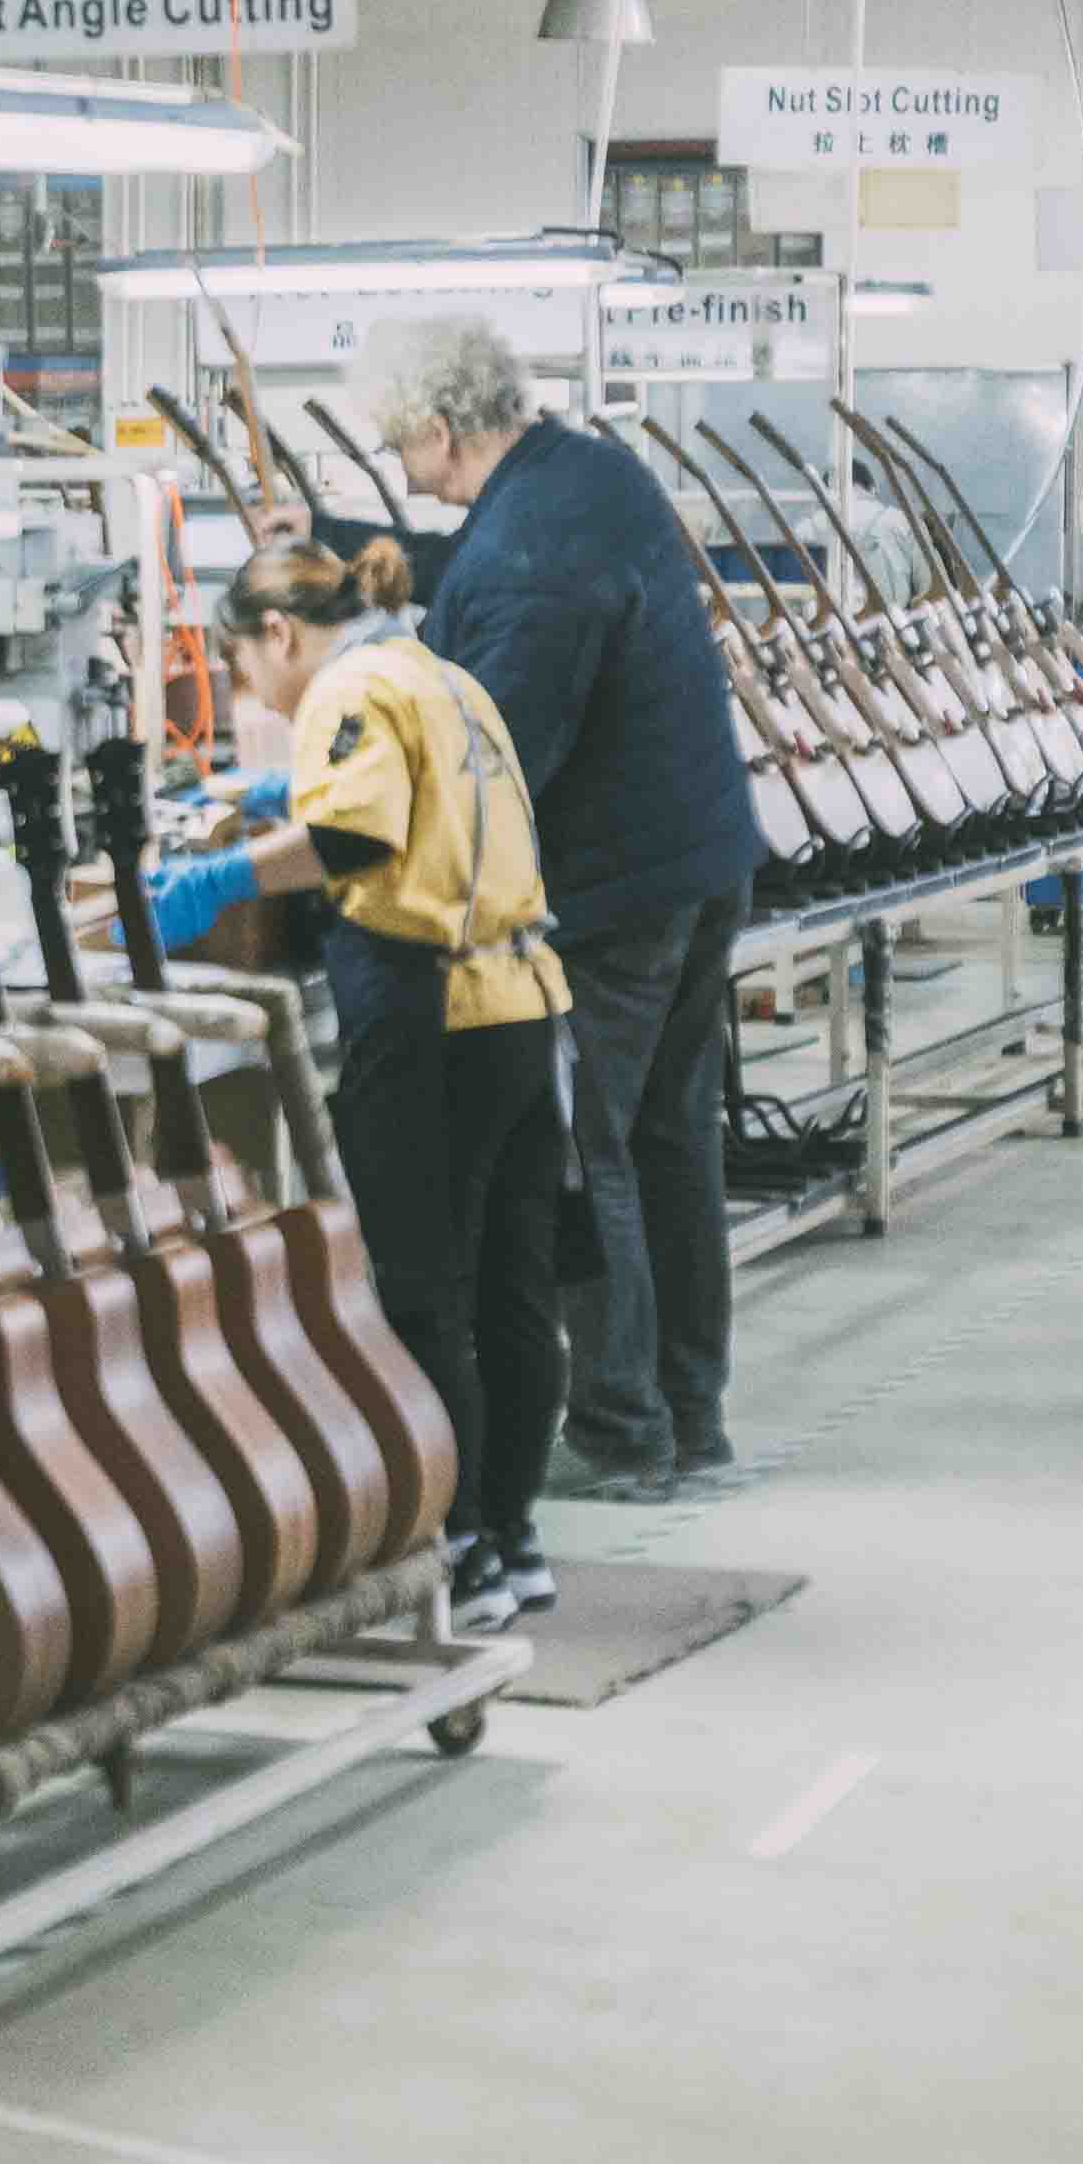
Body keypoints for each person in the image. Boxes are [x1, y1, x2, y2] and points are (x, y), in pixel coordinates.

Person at [372, 310, 760, 1498]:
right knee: (669, 1141)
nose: (403, 473)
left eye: (401, 451)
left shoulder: (522, 569)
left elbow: (491, 765)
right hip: (701, 865)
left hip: (612, 897)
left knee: (580, 1160)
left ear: (442, 430)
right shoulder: (586, 470)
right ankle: (691, 1412)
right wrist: (363, 549)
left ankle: (620, 1428)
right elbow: (493, 555)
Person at [157, 534, 574, 1624]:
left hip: (429, 1010)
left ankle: (462, 1546)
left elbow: (348, 832)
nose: (253, 688)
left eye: (243, 666)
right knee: (510, 1291)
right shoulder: (445, 677)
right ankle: (513, 1538)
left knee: (418, 1290)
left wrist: (217, 877)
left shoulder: (347, 685)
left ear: (278, 634)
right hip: (523, 1004)